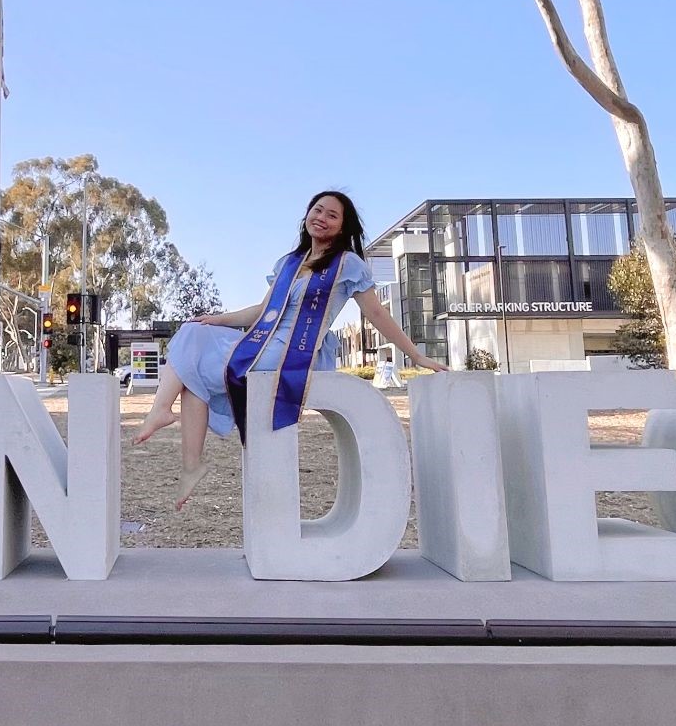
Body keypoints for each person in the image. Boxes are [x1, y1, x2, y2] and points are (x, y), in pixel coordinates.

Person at [133, 190, 445, 509]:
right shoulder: (289, 263)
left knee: (194, 365)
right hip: (262, 340)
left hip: (293, 351)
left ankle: (166, 419)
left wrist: (416, 355)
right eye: (317, 210)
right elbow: (261, 311)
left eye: (332, 215)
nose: (321, 218)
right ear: (307, 215)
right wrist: (215, 319)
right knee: (192, 336)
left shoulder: (347, 264)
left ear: (343, 227)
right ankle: (189, 462)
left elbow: (376, 314)